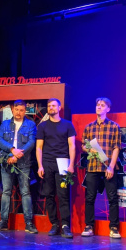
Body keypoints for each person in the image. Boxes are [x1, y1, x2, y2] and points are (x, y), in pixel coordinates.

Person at [0, 99, 38, 234]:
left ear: (25, 111)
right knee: (6, 191)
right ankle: (3, 221)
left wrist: (17, 155)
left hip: (24, 163)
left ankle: (28, 223)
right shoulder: (5, 124)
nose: (18, 112)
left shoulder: (31, 124)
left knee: (25, 192)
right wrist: (12, 150)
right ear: (12, 110)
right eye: (16, 110)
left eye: (21, 110)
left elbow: (31, 142)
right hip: (7, 161)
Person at [80, 98, 121, 239]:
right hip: (93, 167)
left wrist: (111, 167)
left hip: (108, 167)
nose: (99, 107)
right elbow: (83, 145)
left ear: (108, 109)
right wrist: (88, 149)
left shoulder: (114, 126)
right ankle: (89, 226)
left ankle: (114, 227)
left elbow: (116, 147)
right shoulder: (89, 127)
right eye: (97, 105)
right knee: (90, 197)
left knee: (112, 198)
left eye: (102, 105)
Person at [36, 98, 76, 239]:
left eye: (53, 105)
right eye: (49, 106)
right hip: (47, 163)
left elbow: (72, 145)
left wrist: (71, 164)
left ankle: (65, 225)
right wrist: (40, 165)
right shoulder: (42, 126)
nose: (51, 108)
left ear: (59, 108)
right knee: (49, 194)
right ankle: (54, 223)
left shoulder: (67, 125)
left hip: (63, 162)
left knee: (63, 195)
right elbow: (39, 147)